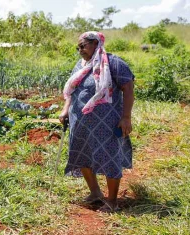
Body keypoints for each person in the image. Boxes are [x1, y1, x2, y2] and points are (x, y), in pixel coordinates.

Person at [59, 31, 134, 213]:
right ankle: (95, 193)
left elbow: (128, 88)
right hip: (81, 121)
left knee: (110, 157)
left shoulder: (113, 63)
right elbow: (72, 89)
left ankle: (112, 201)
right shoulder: (80, 64)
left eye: (83, 46)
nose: (80, 50)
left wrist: (126, 117)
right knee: (81, 153)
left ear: (95, 44)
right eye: (78, 47)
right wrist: (66, 108)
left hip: (106, 123)